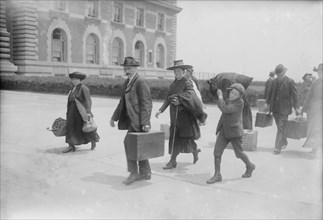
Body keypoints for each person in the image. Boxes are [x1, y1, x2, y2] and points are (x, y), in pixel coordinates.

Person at [110, 57, 153, 185]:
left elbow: (147, 103)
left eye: (129, 68)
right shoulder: (127, 83)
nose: (126, 70)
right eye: (125, 68)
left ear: (135, 68)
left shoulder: (140, 81)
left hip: (139, 121)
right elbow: (121, 103)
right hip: (132, 120)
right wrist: (114, 117)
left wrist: (145, 122)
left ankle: (134, 173)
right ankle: (145, 172)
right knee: (139, 145)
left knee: (130, 144)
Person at [155, 60, 204, 169]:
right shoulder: (173, 84)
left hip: (185, 115)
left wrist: (180, 101)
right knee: (175, 137)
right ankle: (173, 161)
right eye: (175, 71)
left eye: (178, 71)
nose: (176, 73)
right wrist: (161, 110)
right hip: (174, 115)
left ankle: (195, 151)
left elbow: (191, 96)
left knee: (187, 138)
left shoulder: (187, 82)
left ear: (183, 71)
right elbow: (168, 98)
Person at [207, 83, 255, 184]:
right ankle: (217, 175)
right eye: (232, 92)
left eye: (235, 94)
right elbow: (224, 106)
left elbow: (225, 109)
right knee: (217, 152)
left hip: (234, 131)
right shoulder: (229, 99)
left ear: (239, 96)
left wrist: (220, 97)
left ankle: (250, 166)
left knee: (239, 153)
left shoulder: (240, 103)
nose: (232, 95)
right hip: (224, 130)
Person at [265, 64, 300, 155]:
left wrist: (297, 108)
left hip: (285, 109)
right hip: (275, 108)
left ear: (283, 73)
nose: (278, 76)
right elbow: (269, 93)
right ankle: (284, 141)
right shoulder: (274, 82)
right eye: (277, 75)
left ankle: (277, 147)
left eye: (280, 74)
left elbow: (295, 96)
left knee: (281, 127)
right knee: (280, 127)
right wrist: (266, 103)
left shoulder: (290, 81)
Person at [63, 71, 100, 153]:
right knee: (70, 129)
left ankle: (92, 141)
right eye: (73, 79)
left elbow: (88, 101)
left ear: (80, 80)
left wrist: (88, 113)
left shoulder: (84, 88)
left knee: (85, 128)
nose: (74, 81)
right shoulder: (72, 88)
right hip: (71, 113)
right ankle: (71, 146)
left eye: (76, 79)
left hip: (81, 113)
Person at [301, 63, 322, 157]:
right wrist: (304, 108)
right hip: (315, 109)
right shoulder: (315, 83)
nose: (319, 73)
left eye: (321, 71)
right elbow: (309, 96)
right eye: (319, 72)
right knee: (315, 129)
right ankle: (315, 148)